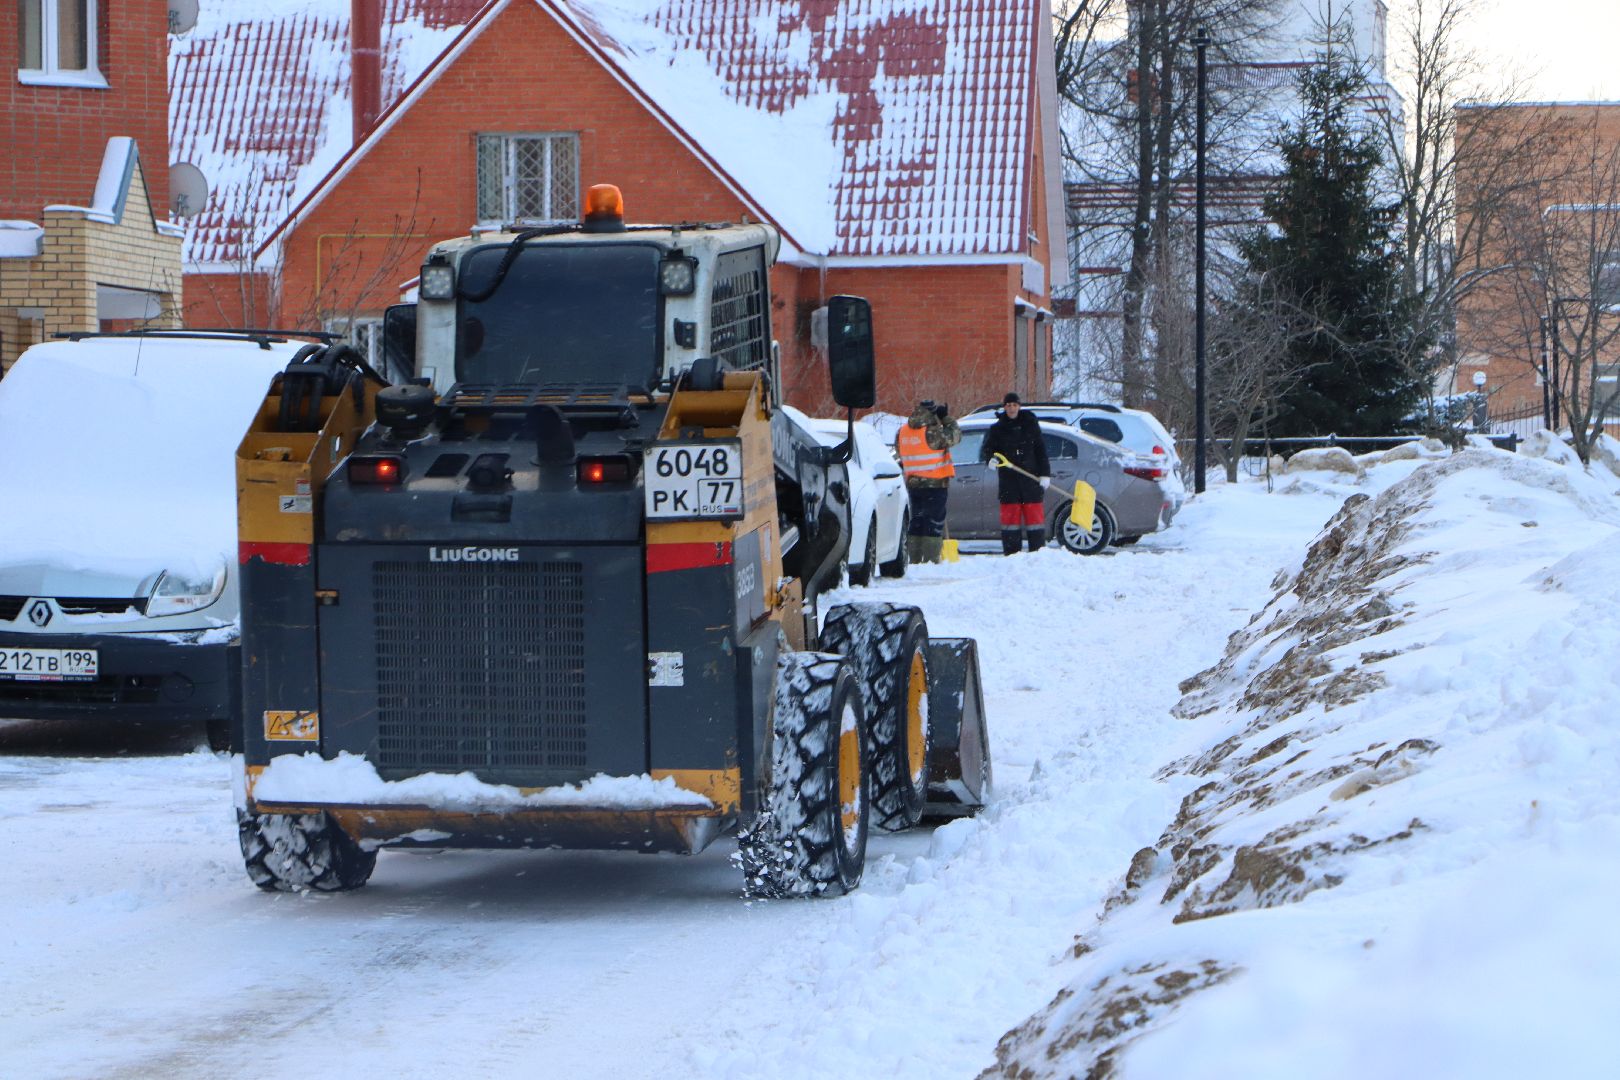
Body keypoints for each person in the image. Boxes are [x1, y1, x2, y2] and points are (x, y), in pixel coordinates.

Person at [980, 392, 1051, 554]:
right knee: (1010, 523)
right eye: (1008, 405)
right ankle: (1012, 555)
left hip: (1031, 481)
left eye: (1014, 405)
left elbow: (1041, 451)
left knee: (1035, 522)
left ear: (1019, 406)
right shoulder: (997, 429)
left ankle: (1038, 554)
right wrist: (991, 459)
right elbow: (988, 449)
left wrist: (1045, 474)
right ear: (1004, 407)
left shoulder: (1030, 425)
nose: (1011, 408)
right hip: (1008, 483)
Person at [894, 399, 961, 563]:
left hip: (913, 484)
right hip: (935, 484)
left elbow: (899, 452)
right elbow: (956, 435)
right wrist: (946, 418)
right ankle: (930, 559)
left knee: (916, 522)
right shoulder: (932, 433)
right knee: (933, 522)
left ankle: (914, 559)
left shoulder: (902, 431)